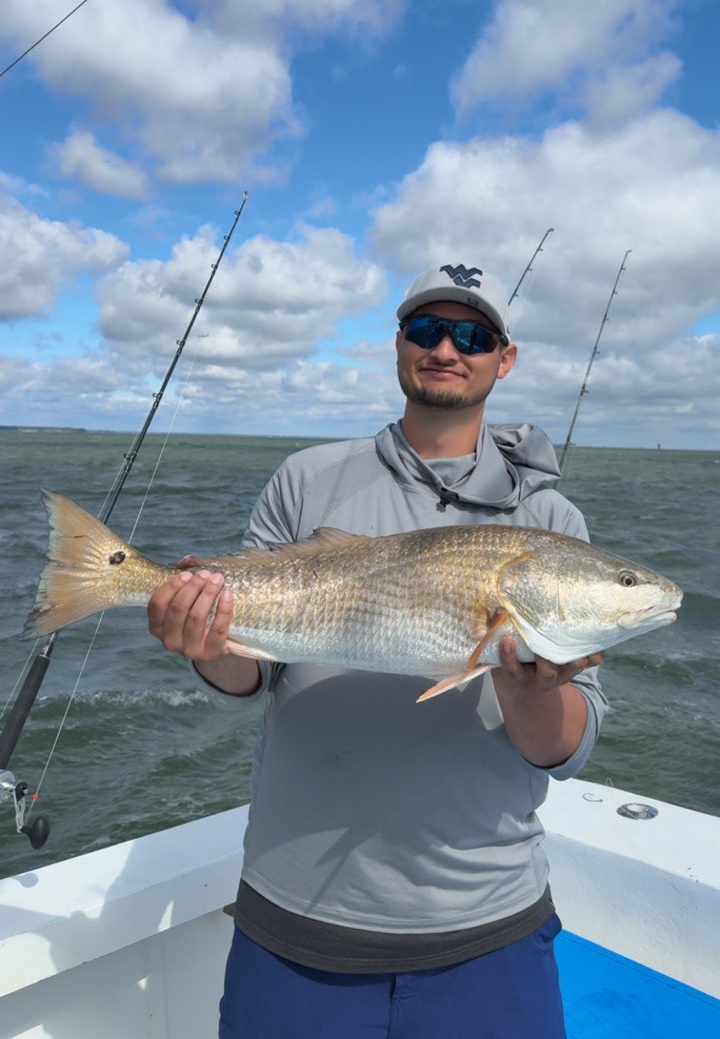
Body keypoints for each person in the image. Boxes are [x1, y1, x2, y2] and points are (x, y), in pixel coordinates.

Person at [147, 261, 607, 1039]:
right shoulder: (305, 478)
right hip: (295, 922)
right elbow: (248, 673)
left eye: (473, 334)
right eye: (427, 329)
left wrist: (532, 685)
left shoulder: (551, 522)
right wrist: (203, 640)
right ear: (399, 345)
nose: (447, 347)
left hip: (487, 929)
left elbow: (565, 748)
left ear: (505, 357)